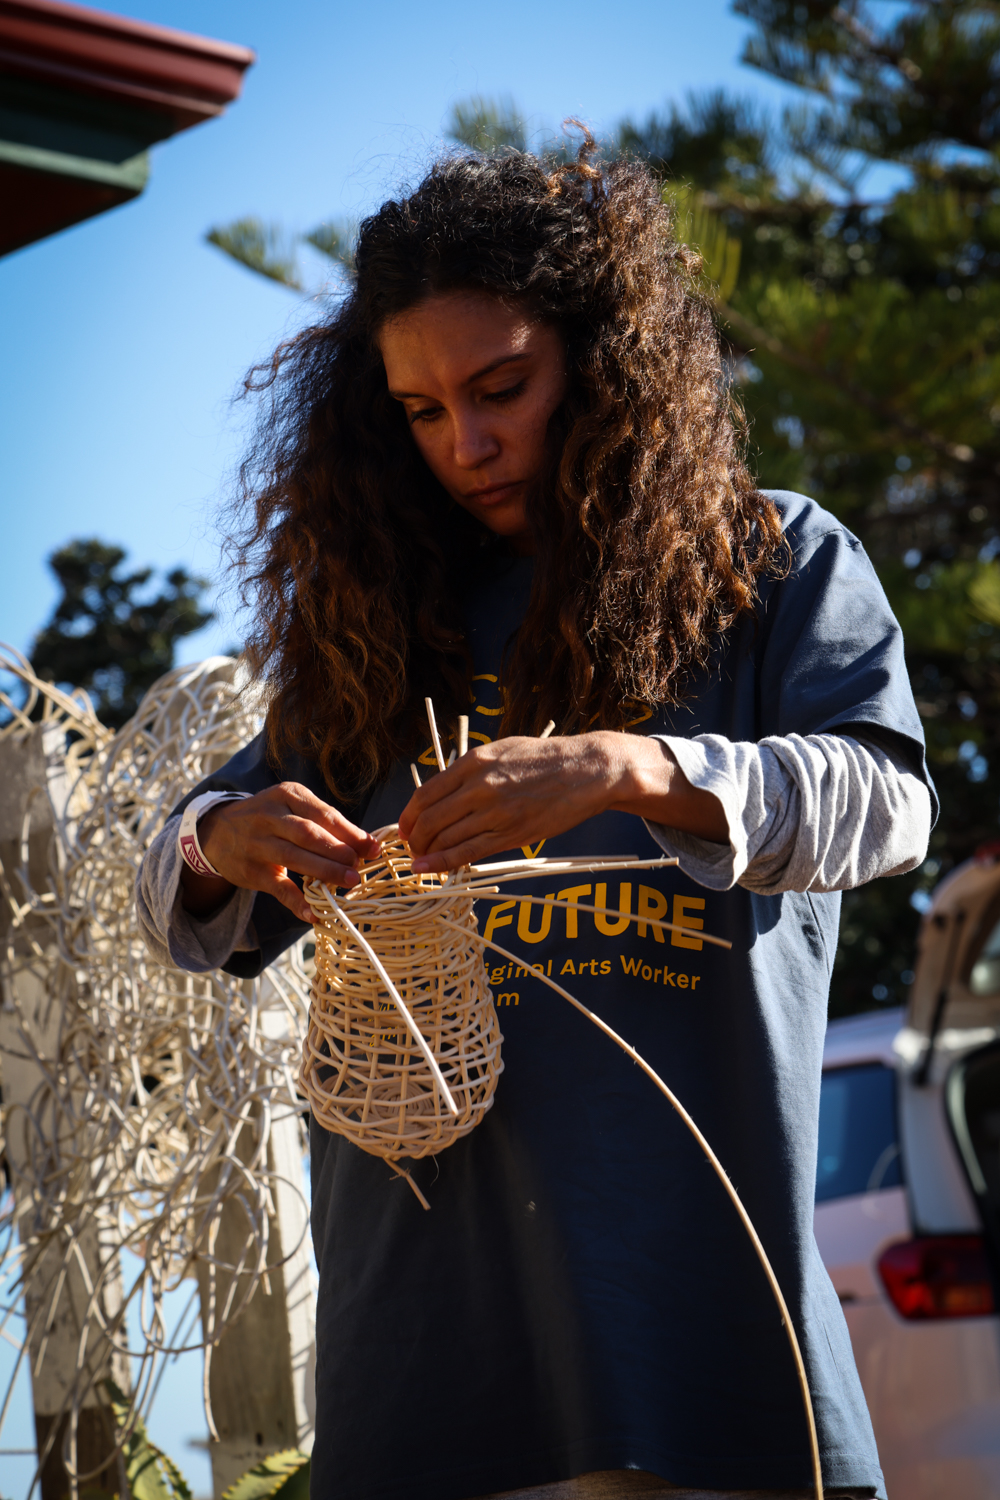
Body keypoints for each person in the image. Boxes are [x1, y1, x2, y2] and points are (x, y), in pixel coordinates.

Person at [137, 140, 933, 1500]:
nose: (468, 444)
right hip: (426, 1374)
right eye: (422, 412)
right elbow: (184, 906)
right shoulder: (376, 629)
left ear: (607, 361)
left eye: (501, 388)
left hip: (706, 1357)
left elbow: (892, 806)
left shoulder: (773, 565)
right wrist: (222, 841)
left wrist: (632, 769)